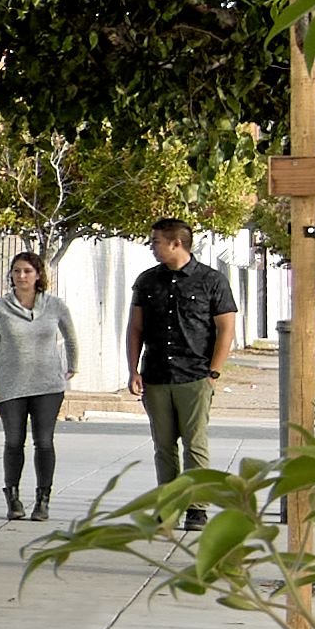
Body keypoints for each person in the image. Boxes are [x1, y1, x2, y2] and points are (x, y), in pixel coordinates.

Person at [128, 217, 238, 514]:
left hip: (195, 375)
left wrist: (213, 374)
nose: (152, 248)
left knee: (195, 444)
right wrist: (133, 369)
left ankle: (197, 507)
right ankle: (168, 506)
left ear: (176, 244)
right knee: (163, 447)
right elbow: (135, 328)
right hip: (157, 376)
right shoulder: (147, 281)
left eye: (156, 242)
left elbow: (226, 328)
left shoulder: (212, 280)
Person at [0, 249, 75, 521]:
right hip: (10, 385)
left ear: (38, 276)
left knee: (44, 441)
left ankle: (42, 500)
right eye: (16, 271)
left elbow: (70, 337)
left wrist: (73, 364)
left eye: (27, 271)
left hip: (48, 384)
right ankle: (13, 499)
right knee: (14, 441)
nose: (21, 276)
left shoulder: (55, 305)